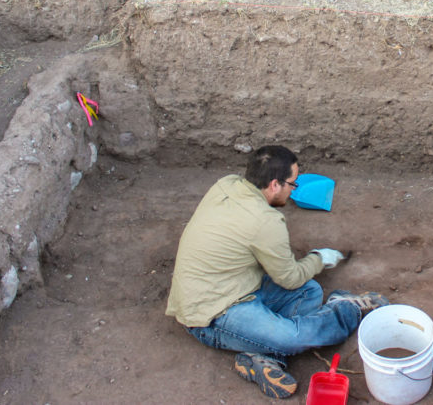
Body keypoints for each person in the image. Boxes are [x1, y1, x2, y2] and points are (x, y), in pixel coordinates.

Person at [166, 145, 388, 399]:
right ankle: (345, 310)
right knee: (292, 338)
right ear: (274, 184)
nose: (294, 190)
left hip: (233, 283)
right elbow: (289, 278)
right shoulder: (265, 221)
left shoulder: (226, 184)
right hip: (209, 314)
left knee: (310, 291)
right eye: (292, 184)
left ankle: (259, 355)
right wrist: (319, 259)